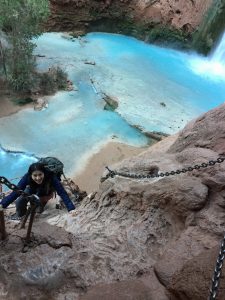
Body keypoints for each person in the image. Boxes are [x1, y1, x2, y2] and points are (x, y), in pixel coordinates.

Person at [0, 162, 75, 219]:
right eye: (35, 175)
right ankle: (21, 216)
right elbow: (16, 192)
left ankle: (40, 207)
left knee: (38, 209)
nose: (38, 178)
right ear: (30, 175)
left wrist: (71, 208)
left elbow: (62, 192)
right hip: (32, 188)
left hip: (46, 189)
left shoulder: (51, 176)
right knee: (20, 201)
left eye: (40, 174)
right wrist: (2, 204)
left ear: (44, 173)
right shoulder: (27, 177)